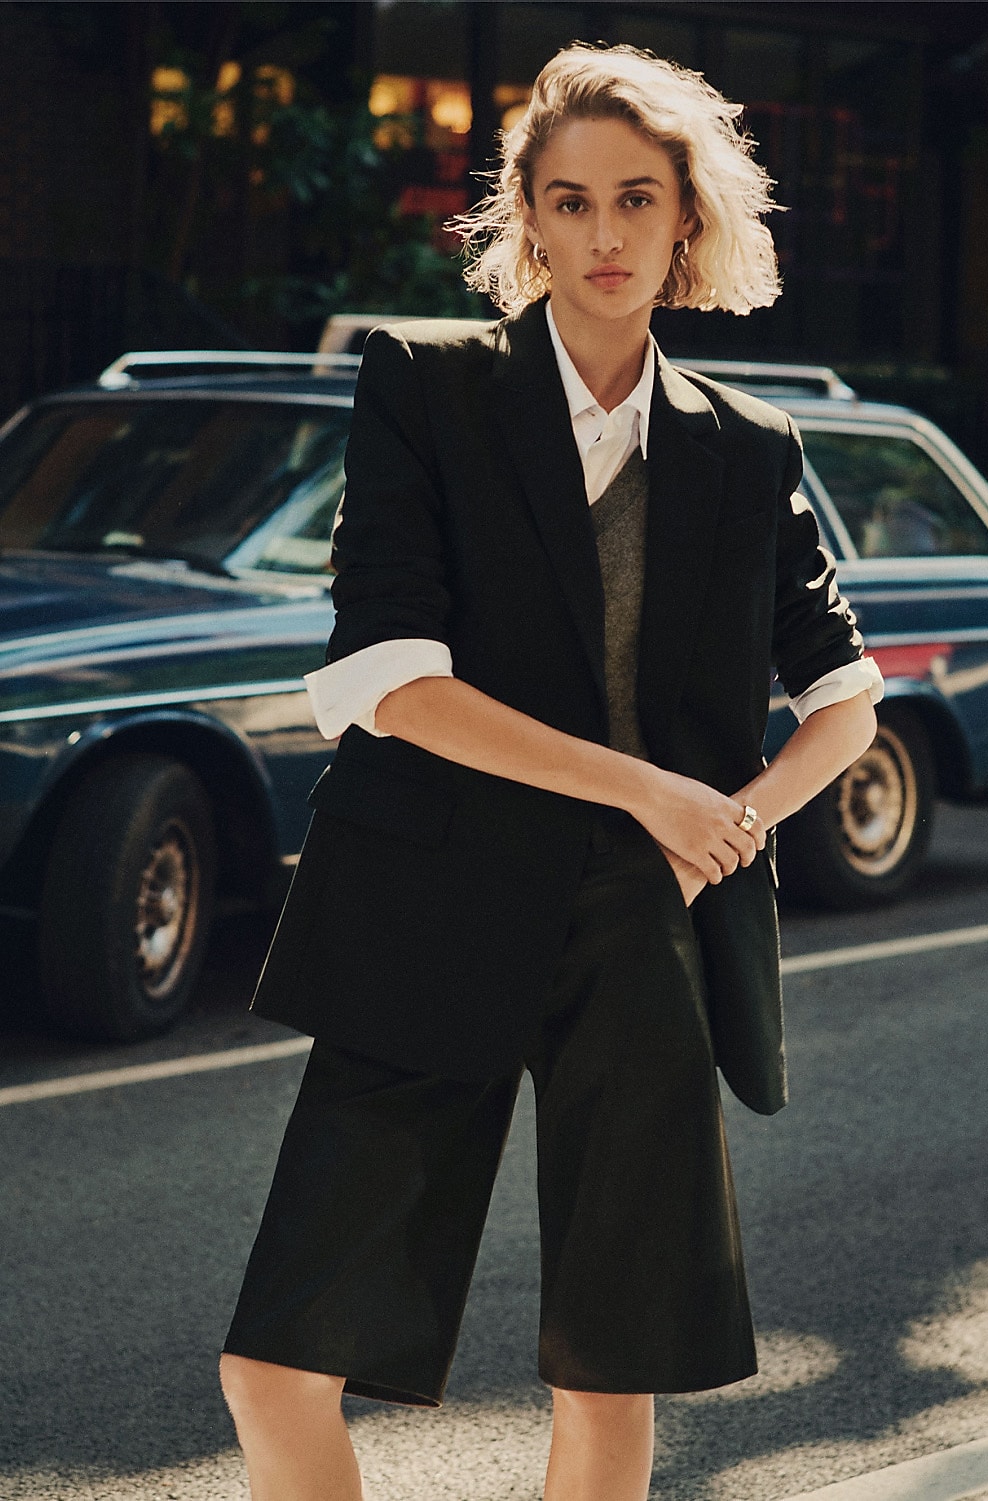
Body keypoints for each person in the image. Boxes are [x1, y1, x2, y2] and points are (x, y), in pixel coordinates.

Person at [219, 41, 883, 1501]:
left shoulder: (749, 446)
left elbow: (846, 698)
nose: (603, 234)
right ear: (526, 213)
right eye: (569, 201)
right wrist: (649, 787)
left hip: (639, 928)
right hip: (427, 897)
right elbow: (387, 681)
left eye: (636, 200)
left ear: (686, 220)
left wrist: (734, 817)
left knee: (609, 1368)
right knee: (274, 1364)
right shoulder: (426, 389)